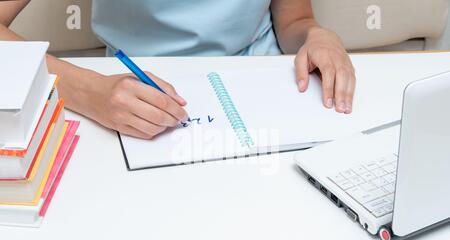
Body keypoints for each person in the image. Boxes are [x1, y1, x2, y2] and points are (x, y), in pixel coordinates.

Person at [0, 0, 356, 140]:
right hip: (134, 99)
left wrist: (317, 35)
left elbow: (294, 21)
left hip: (262, 89)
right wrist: (87, 91)